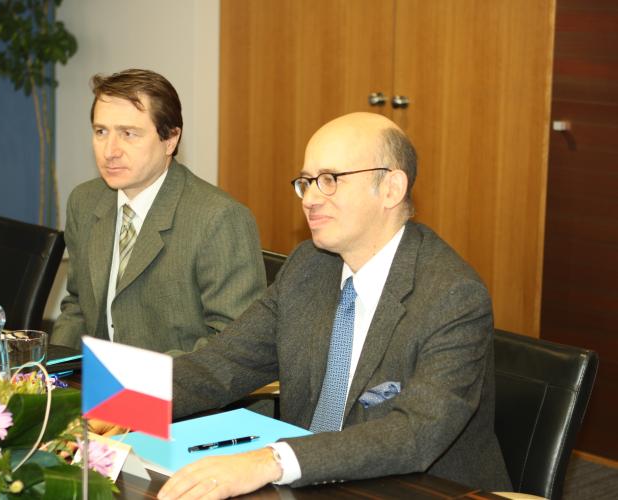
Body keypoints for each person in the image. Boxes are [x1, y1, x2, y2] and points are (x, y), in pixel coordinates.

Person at [157, 112, 512, 499]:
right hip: (312, 482)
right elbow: (221, 364)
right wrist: (118, 399)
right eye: (306, 182)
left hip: (422, 490)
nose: (310, 199)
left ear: (391, 188)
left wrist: (270, 460)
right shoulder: (308, 267)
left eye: (330, 180)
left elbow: (414, 432)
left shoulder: (452, 295)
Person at [51, 69, 266, 355]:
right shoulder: (85, 201)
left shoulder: (219, 218)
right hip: (97, 376)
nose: (110, 151)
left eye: (128, 134)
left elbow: (234, 344)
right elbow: (78, 305)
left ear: (170, 140)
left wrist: (144, 376)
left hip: (179, 381)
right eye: (101, 132)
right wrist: (50, 370)